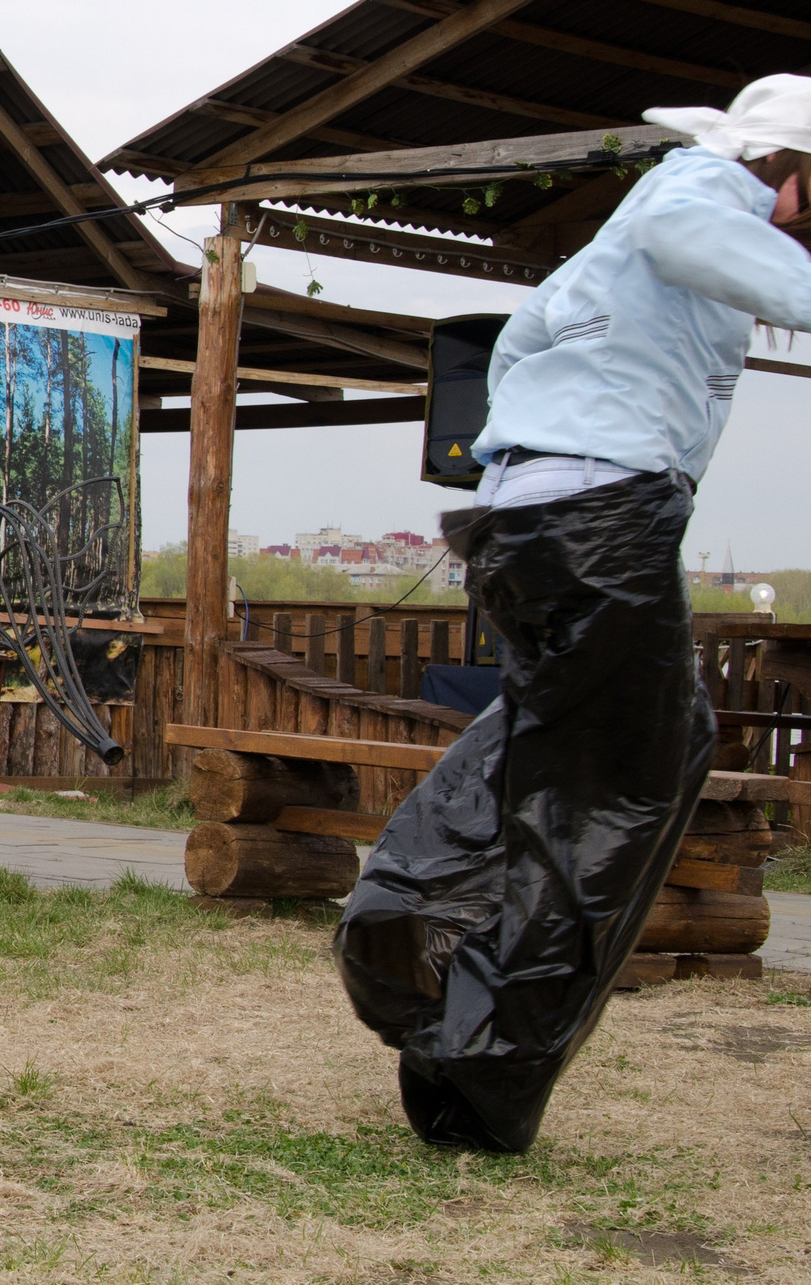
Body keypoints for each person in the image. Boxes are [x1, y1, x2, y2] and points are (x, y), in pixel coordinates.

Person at [337, 76, 811, 1155]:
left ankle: (400, 910)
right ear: (785, 173)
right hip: (600, 519)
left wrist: (535, 456)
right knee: (621, 790)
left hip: (528, 517)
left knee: (573, 742)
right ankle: (476, 1069)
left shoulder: (619, 239)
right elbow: (708, 232)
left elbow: (519, 345)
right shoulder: (700, 193)